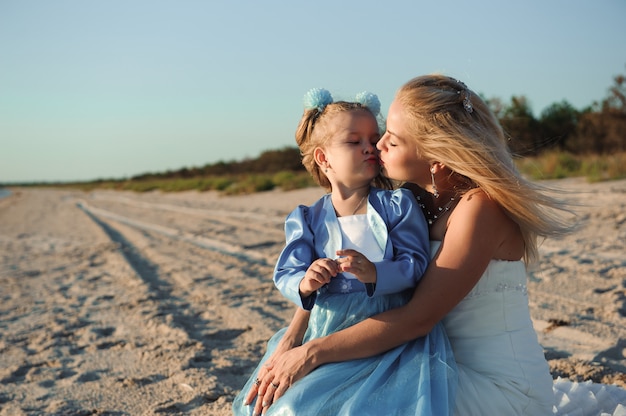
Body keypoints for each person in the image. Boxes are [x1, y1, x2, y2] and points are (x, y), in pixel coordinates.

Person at [247, 74, 591, 416]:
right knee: (308, 392)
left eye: (392, 141)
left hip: (493, 386)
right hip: (418, 359)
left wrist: (313, 352)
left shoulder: (479, 209)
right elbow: (332, 275)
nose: (377, 145)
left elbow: (417, 319)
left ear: (435, 157)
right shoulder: (410, 200)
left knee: (340, 398)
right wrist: (296, 335)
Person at [232, 88, 457, 415]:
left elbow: (415, 264)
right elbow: (286, 273)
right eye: (354, 142)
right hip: (327, 326)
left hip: (385, 331)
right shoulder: (307, 219)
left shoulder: (397, 205)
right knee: (292, 405)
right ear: (324, 158)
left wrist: (376, 273)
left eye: (374, 138)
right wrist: (306, 282)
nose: (370, 147)